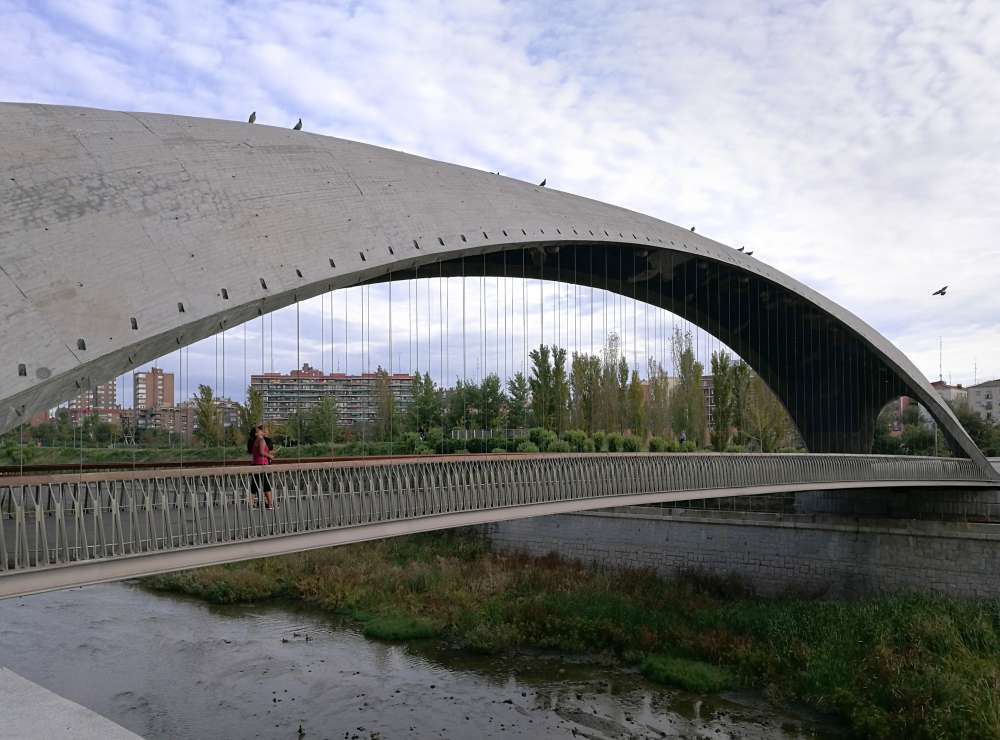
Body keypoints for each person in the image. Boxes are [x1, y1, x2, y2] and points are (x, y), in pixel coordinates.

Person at [248, 424, 274, 509]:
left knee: (254, 484)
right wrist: (270, 456)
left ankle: (251, 504)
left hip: (255, 463)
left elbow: (254, 452)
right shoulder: (261, 440)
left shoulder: (255, 441)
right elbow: (262, 452)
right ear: (257, 433)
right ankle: (270, 504)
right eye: (259, 430)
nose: (261, 431)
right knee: (266, 484)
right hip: (262, 464)